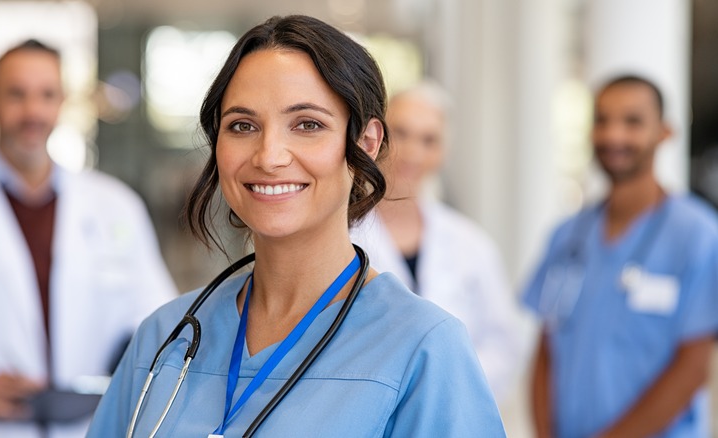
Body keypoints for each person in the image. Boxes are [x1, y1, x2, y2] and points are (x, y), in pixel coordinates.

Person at [87, 15, 505, 437]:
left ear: (366, 143)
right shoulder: (165, 339)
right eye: (243, 125)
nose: (269, 156)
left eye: (308, 124)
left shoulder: (425, 349)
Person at [0, 40, 177, 437]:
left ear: (61, 102)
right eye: (17, 94)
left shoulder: (115, 206)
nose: (33, 111)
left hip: (89, 426)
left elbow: (156, 316)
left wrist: (129, 359)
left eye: (46, 95)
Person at [523, 75, 718, 437]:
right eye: (602, 120)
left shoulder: (698, 236)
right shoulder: (567, 236)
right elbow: (547, 352)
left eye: (632, 121)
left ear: (665, 133)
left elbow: (692, 369)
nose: (614, 135)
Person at [351, 81, 525, 403]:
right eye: (401, 132)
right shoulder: (343, 236)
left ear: (443, 152)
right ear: (374, 138)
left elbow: (503, 343)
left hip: (454, 411)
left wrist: (451, 387)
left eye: (429, 140)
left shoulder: (470, 244)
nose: (414, 151)